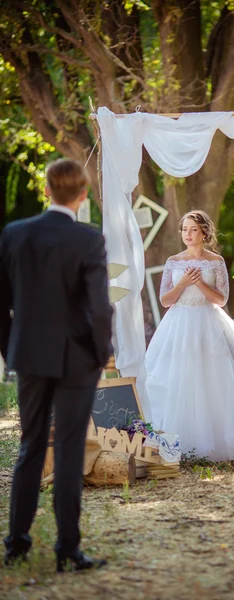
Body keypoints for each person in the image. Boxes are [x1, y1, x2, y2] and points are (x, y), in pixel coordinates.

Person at [0, 159, 113, 572]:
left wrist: (8, 350)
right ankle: (68, 550)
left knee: (29, 448)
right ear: (82, 196)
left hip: (28, 355)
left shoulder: (14, 234)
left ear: (46, 189)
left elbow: (2, 302)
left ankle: (17, 545)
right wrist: (102, 354)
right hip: (77, 359)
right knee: (67, 451)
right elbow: (100, 310)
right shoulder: (89, 240)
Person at [145, 210, 234, 461]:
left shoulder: (216, 262)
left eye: (193, 229)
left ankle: (217, 441)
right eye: (184, 230)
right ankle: (180, 442)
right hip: (179, 324)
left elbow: (221, 299)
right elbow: (165, 300)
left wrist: (200, 283)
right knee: (181, 377)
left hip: (209, 323)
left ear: (204, 232)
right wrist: (182, 284)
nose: (188, 235)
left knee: (212, 377)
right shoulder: (173, 261)